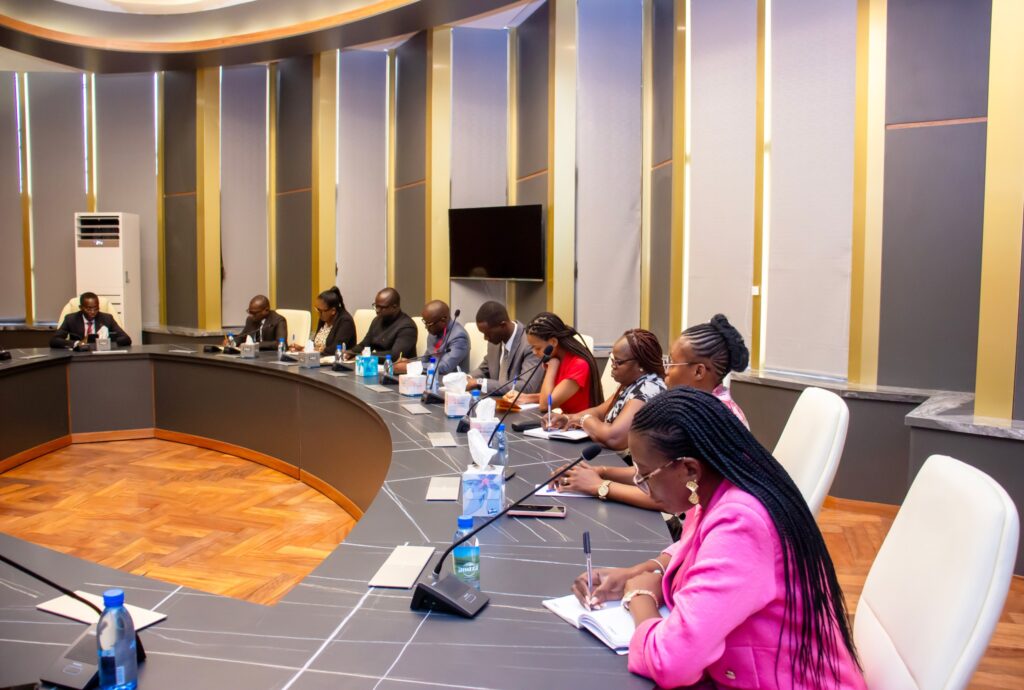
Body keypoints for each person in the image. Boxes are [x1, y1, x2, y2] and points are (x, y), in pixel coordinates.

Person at [571, 388, 866, 690]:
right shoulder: (718, 485)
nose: (644, 487)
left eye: (645, 476)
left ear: (689, 469)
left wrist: (639, 597)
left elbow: (671, 662)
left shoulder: (741, 523)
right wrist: (639, 573)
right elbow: (694, 547)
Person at [553, 314, 751, 509]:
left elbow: (669, 497)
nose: (666, 371)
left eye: (672, 362)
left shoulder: (709, 418)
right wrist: (601, 471)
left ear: (698, 371)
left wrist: (599, 486)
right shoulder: (699, 406)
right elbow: (658, 472)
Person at [544, 329, 666, 450]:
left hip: (625, 460)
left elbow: (614, 438)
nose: (613, 366)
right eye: (613, 359)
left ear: (640, 364)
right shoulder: (631, 383)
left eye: (618, 362)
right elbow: (600, 412)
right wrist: (568, 419)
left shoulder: (647, 389)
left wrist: (582, 420)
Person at [516, 312, 602, 414]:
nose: (534, 352)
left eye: (538, 348)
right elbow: (555, 395)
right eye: (532, 348)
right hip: (564, 420)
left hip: (580, 423)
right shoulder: (559, 358)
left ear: (553, 342)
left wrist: (552, 368)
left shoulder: (579, 365)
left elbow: (545, 405)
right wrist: (526, 398)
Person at [466, 301, 542, 395]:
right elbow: (484, 369)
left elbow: (526, 387)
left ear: (503, 325)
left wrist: (479, 382)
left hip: (521, 403)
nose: (485, 338)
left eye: (488, 333)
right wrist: (467, 378)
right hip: (496, 400)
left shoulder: (530, 343)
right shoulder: (494, 342)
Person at [393, 300, 469, 378]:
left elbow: (444, 367)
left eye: (429, 324)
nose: (426, 327)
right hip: (430, 377)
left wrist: (410, 368)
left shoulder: (459, 336)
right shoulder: (434, 331)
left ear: (443, 320)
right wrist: (409, 362)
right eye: (425, 323)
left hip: (450, 381)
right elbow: (426, 360)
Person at [348, 287, 417, 360]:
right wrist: (350, 352)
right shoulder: (377, 320)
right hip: (377, 365)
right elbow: (365, 345)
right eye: (376, 306)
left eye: (382, 307)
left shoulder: (407, 327)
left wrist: (367, 355)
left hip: (397, 366)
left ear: (395, 307)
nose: (377, 310)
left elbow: (395, 356)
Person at [50, 292, 131, 349]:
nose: (93, 312)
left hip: (101, 356)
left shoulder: (107, 318)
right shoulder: (71, 319)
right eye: (89, 309)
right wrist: (76, 343)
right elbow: (54, 340)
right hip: (79, 356)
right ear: (81, 307)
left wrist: (106, 342)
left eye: (96, 308)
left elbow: (126, 339)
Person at [293, 286, 355, 354]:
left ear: (333, 311)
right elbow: (317, 343)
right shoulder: (323, 318)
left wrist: (317, 351)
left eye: (320, 311)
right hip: (319, 357)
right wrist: (304, 348)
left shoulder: (346, 321)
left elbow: (336, 349)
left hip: (335, 359)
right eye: (317, 309)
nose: (318, 313)